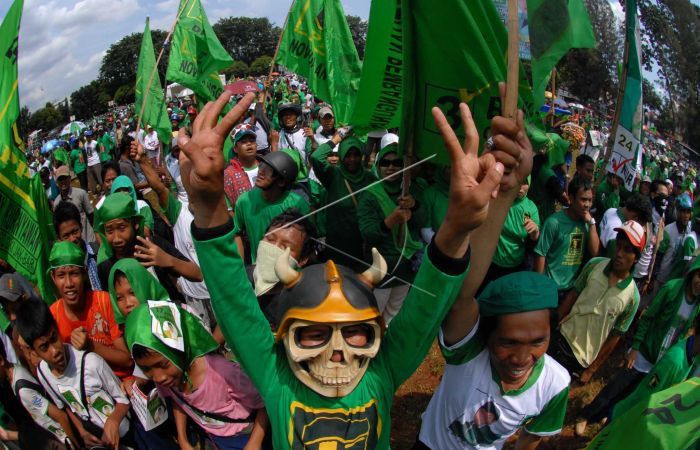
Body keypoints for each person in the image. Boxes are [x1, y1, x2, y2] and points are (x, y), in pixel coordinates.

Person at [178, 91, 517, 449]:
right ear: (284, 336)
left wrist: (456, 228)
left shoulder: (380, 373)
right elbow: (235, 304)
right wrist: (209, 207)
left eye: (356, 333)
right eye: (314, 334)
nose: (338, 353)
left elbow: (423, 313)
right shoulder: (276, 375)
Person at [416, 273, 570, 450]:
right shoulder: (467, 351)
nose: (522, 359)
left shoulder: (556, 385)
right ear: (486, 334)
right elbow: (461, 299)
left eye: (537, 342)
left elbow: (531, 437)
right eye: (509, 343)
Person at [126, 303, 268, 450]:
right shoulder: (169, 379)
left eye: (163, 365)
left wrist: (255, 442)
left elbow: (265, 403)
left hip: (244, 436)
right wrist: (183, 439)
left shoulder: (223, 372)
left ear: (179, 348)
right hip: (215, 439)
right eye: (145, 369)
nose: (158, 377)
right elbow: (178, 401)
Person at [15, 300, 133, 449]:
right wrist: (83, 432)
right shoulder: (43, 374)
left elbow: (124, 400)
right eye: (44, 347)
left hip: (128, 435)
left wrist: (114, 420)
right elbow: (65, 405)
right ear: (33, 351)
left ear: (57, 328)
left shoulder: (92, 363)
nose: (55, 351)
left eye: (54, 338)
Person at [550, 221, 643, 383]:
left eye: (627, 250)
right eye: (618, 246)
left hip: (581, 359)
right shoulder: (595, 265)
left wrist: (591, 370)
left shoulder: (633, 297)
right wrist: (551, 327)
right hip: (561, 337)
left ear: (636, 258)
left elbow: (615, 336)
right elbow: (572, 296)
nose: (619, 253)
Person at [358, 134, 427, 323]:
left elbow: (422, 222)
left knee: (394, 313)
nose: (391, 167)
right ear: (378, 166)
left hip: (406, 265)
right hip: (381, 266)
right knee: (373, 315)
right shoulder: (370, 195)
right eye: (385, 163)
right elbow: (368, 234)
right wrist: (392, 220)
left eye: (397, 163)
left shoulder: (411, 189)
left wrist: (414, 205)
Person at [47, 241, 133, 379]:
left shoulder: (104, 301)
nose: (68, 283)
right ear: (53, 277)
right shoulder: (52, 315)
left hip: (122, 382)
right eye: (61, 275)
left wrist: (91, 346)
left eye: (74, 274)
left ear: (85, 273)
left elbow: (127, 360)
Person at [95, 194, 201, 302]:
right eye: (109, 231)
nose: (116, 238)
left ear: (135, 223)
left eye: (122, 228)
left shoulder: (152, 246)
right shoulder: (106, 267)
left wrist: (168, 260)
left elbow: (197, 275)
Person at [311, 133, 376, 270]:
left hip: (363, 246)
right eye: (347, 155)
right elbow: (316, 157)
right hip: (337, 246)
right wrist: (337, 138)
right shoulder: (333, 175)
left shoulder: (370, 179)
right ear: (341, 155)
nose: (352, 159)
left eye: (356, 155)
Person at [233, 151, 309, 263]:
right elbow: (236, 233)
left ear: (281, 181)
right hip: (257, 268)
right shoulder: (244, 201)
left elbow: (306, 241)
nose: (261, 171)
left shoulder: (297, 204)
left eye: (268, 170)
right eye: (261, 166)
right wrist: (240, 266)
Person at [0, 337, 75, 449]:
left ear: (1, 360)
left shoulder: (23, 390)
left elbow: (61, 416)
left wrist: (74, 445)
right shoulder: (12, 374)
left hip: (62, 441)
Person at [534, 178, 600, 295]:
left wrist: (592, 224)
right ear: (571, 198)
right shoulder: (553, 222)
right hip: (549, 288)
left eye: (590, 200)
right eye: (583, 199)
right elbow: (540, 254)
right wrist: (540, 287)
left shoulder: (587, 224)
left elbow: (595, 252)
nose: (587, 205)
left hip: (571, 289)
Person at [53, 202, 102, 291]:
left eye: (75, 232)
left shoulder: (98, 253)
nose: (72, 239)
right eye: (66, 236)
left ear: (81, 227)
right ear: (59, 239)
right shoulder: (60, 270)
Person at [529, 133, 569, 222]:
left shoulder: (534, 161)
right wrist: (566, 175)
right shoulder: (549, 175)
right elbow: (566, 201)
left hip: (530, 212)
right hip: (542, 217)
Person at [53, 165, 96, 245]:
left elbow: (91, 215)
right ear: (57, 183)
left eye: (65, 178)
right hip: (72, 244)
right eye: (60, 179)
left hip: (88, 239)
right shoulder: (56, 203)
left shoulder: (81, 194)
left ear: (70, 178)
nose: (63, 182)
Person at [656, 193, 692, 286]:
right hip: (662, 279)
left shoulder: (690, 232)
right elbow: (660, 255)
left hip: (676, 280)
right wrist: (653, 278)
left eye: (688, 212)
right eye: (683, 211)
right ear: (677, 212)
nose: (686, 215)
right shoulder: (668, 230)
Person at [599, 193, 652, 258]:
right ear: (635, 218)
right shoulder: (617, 233)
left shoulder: (611, 210)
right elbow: (613, 261)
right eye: (640, 225)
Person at [224, 123, 258, 210]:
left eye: (252, 141)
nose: (249, 144)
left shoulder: (267, 166)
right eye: (243, 142)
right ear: (235, 149)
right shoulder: (228, 174)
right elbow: (229, 210)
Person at [84, 129, 102, 195]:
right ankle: (96, 192)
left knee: (99, 178)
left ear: (91, 136)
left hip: (96, 162)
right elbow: (86, 154)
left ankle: (103, 190)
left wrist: (99, 161)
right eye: (87, 136)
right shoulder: (85, 144)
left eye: (89, 136)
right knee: (92, 179)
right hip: (89, 164)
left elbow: (99, 151)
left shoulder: (95, 143)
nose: (88, 137)